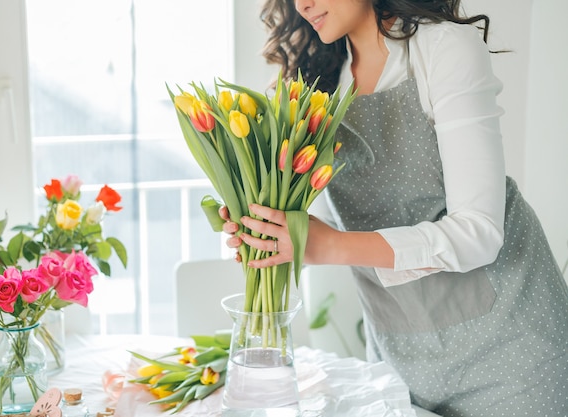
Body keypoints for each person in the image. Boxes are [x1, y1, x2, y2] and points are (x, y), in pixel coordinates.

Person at [220, 0, 568, 416]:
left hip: (512, 354)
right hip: (400, 359)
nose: (303, 3)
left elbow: (479, 233)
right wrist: (273, 229)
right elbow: (338, 223)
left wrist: (326, 246)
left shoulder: (443, 49)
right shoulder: (317, 84)